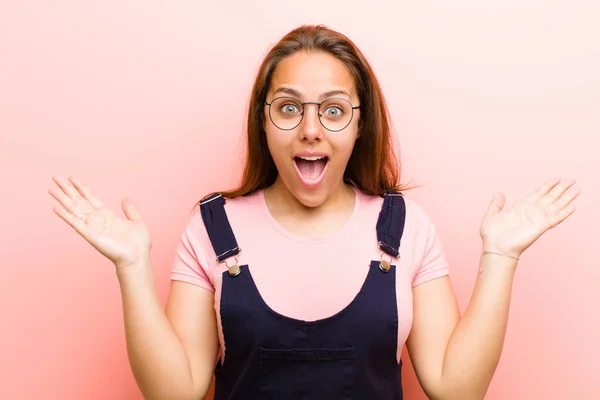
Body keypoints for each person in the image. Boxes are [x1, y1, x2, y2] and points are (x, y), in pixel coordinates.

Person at [48, 25, 579, 400]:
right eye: (288, 107)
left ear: (358, 124)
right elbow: (176, 392)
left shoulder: (406, 228)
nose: (310, 129)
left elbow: (455, 389)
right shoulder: (211, 230)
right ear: (264, 121)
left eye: (332, 110)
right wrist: (132, 267)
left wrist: (501, 256)